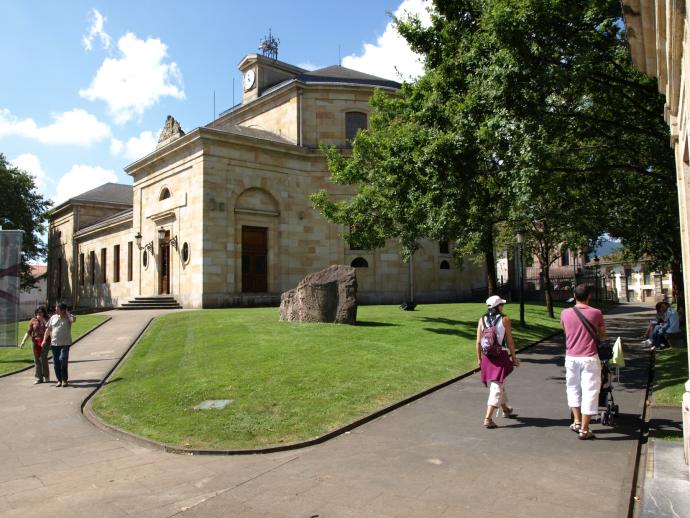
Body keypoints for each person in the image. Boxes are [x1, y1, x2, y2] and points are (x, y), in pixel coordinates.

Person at [560, 284, 606, 440]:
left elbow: (566, 331)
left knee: (572, 388)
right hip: (589, 357)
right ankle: (585, 429)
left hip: (571, 356)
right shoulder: (596, 313)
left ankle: (577, 421)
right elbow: (602, 335)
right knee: (590, 391)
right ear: (589, 296)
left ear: (574, 295)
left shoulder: (565, 313)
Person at [476, 295, 520, 429]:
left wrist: (479, 358)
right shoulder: (505, 319)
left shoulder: (482, 319)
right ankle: (488, 418)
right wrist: (514, 357)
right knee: (497, 386)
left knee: (498, 383)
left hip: (487, 356)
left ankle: (506, 408)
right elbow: (510, 341)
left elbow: (478, 341)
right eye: (502, 304)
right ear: (498, 307)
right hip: (499, 356)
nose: (503, 306)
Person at [43, 302, 76, 387]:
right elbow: (48, 329)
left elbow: (73, 320)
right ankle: (59, 380)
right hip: (54, 344)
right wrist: (44, 340)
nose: (55, 309)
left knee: (63, 360)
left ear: (63, 310)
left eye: (57, 308)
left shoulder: (68, 317)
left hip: (65, 343)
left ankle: (64, 379)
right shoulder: (53, 317)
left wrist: (67, 312)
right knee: (56, 363)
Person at [19, 306, 50, 384]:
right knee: (36, 359)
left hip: (45, 340)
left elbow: (50, 328)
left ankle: (46, 376)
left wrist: (43, 320)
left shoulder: (47, 318)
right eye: (38, 312)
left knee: (43, 358)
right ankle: (38, 378)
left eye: (41, 312)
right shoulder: (33, 320)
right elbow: (29, 332)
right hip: (35, 341)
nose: (39, 314)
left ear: (43, 312)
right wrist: (23, 341)